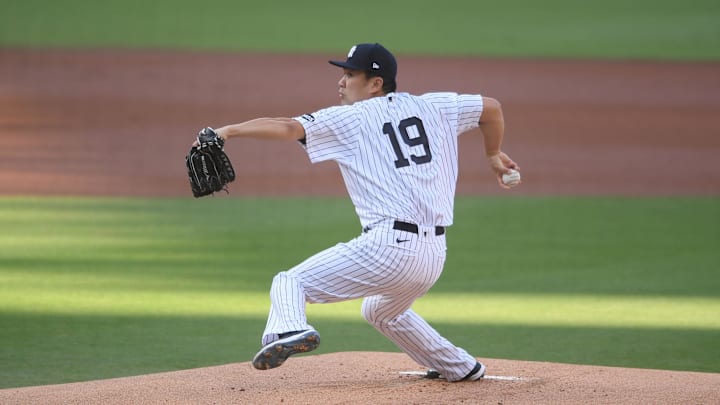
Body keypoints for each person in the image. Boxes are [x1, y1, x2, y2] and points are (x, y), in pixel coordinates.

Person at [194, 43, 520, 382]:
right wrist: (493, 155)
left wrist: (227, 131)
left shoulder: (350, 118)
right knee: (380, 311)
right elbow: (491, 108)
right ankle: (461, 366)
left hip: (389, 248)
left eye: (350, 74)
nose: (341, 81)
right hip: (434, 255)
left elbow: (289, 127)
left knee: (289, 282)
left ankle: (288, 331)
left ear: (375, 83)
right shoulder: (434, 105)